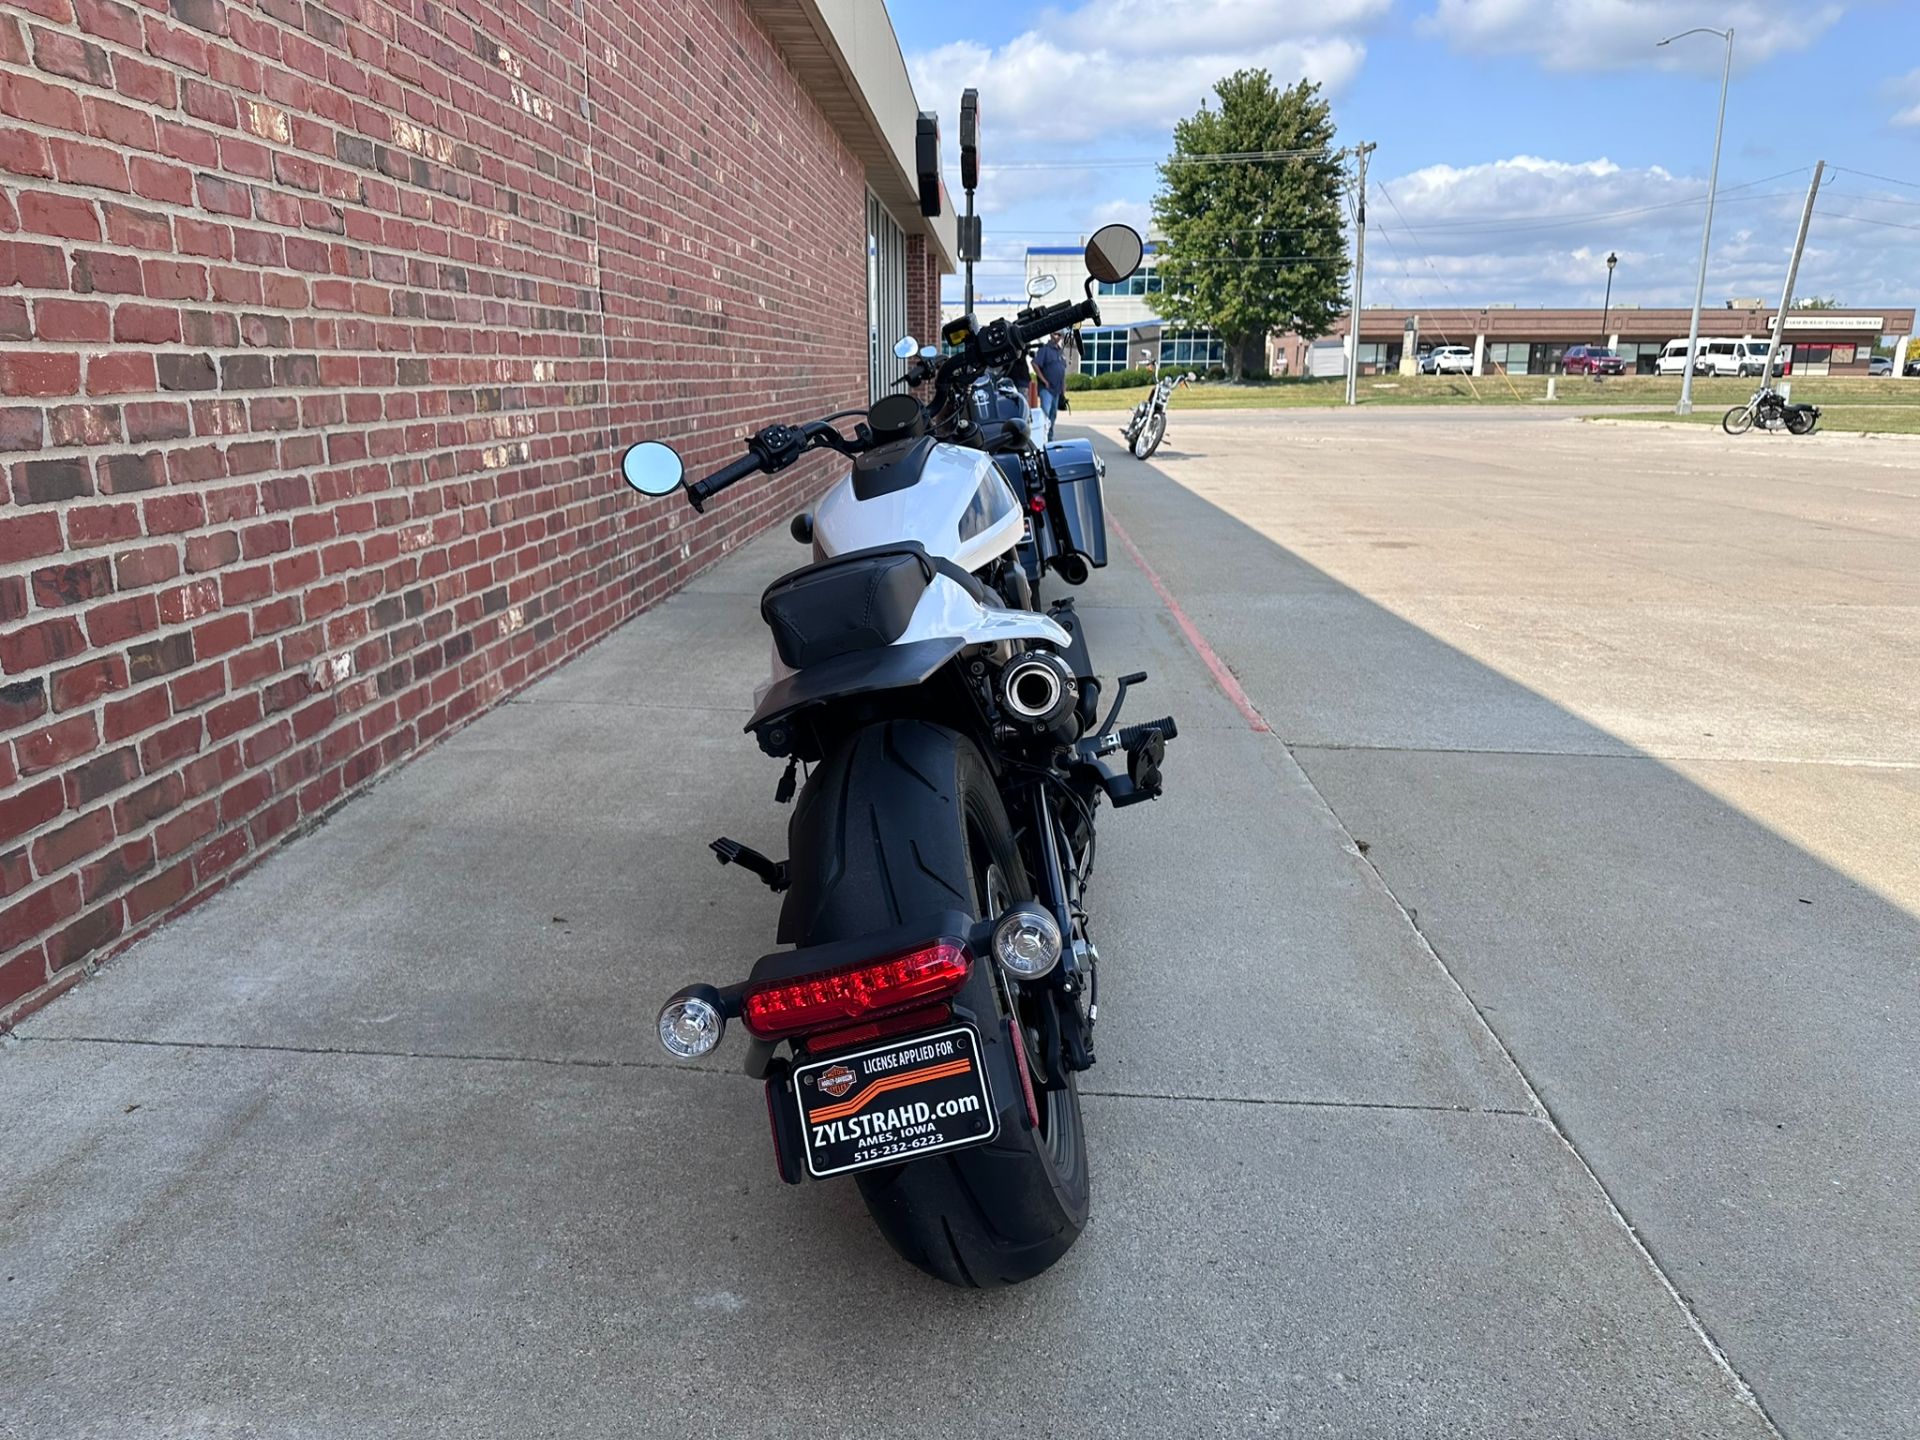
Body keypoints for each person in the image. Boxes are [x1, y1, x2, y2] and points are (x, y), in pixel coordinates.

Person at [1034, 332, 1068, 430]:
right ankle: (1043, 438)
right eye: (1055, 334)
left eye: (1059, 335)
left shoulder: (1060, 352)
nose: (1057, 336)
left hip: (1057, 390)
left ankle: (1050, 438)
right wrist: (1044, 380)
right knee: (1045, 415)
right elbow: (1035, 364)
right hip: (1047, 389)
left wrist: (1063, 389)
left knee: (1053, 415)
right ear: (1051, 335)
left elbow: (1062, 371)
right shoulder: (1044, 349)